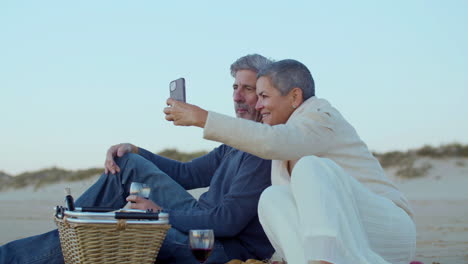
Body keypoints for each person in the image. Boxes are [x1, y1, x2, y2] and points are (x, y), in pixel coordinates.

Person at [0, 54, 275, 264]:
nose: (237, 97)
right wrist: (135, 150)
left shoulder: (262, 150)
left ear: (264, 95)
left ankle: (18, 254)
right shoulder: (235, 143)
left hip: (217, 245)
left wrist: (158, 215)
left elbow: (228, 221)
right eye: (235, 87)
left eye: (248, 89)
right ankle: (74, 225)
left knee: (111, 230)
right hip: (201, 224)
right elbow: (187, 174)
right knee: (127, 163)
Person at [164, 59, 416, 264]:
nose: (258, 105)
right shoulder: (284, 137)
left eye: (263, 96)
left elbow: (271, 141)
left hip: (389, 232)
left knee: (310, 166)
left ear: (295, 97)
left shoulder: (321, 116)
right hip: (353, 245)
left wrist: (202, 118)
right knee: (272, 198)